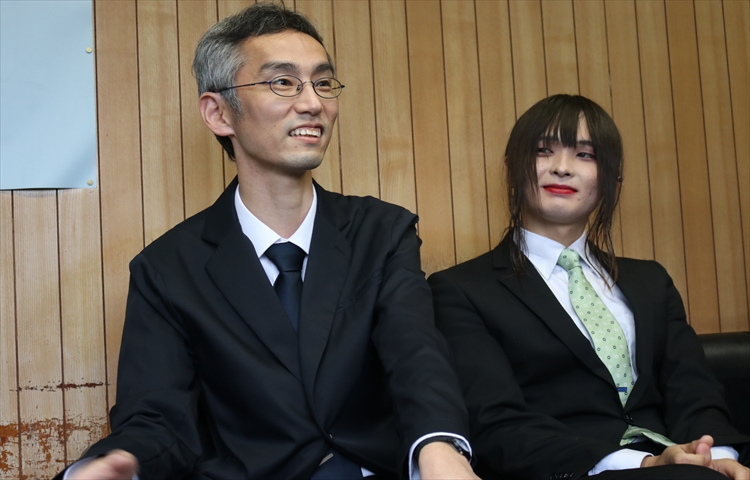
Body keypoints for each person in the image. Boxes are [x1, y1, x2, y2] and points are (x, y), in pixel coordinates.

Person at [56, 3, 478, 479]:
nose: (313, 103)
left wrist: (438, 446)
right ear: (219, 112)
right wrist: (119, 465)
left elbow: (415, 358)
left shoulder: (382, 231)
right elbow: (157, 417)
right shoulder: (167, 269)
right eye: (283, 82)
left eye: (323, 83)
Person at [428, 94, 750, 480]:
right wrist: (643, 463)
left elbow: (693, 388)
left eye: (585, 155)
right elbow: (496, 421)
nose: (562, 168)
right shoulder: (460, 290)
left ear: (612, 176)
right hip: (573, 469)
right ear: (512, 167)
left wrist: (717, 456)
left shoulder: (650, 280)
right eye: (544, 150)